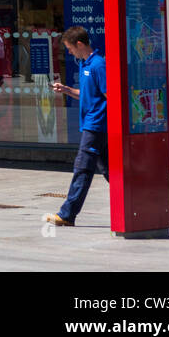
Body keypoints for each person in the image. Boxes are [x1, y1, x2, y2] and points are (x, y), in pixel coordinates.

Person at [45, 26, 107, 227]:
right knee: (110, 171)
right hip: (92, 124)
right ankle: (137, 204)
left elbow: (109, 95)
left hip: (96, 126)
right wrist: (66, 90)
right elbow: (87, 94)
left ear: (80, 44)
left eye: (70, 48)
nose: (69, 52)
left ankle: (67, 214)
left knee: (82, 168)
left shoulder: (98, 65)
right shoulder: (85, 65)